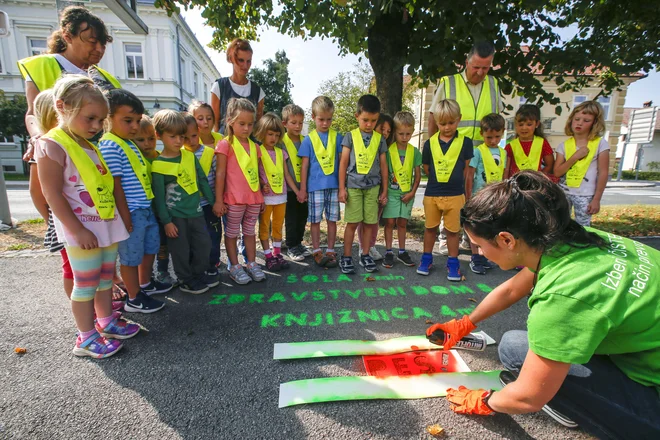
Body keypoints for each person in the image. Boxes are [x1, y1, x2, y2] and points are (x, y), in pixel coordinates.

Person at [428, 170, 660, 439]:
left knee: (516, 351)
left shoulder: (564, 297)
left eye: (478, 245)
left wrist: (485, 401)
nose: (478, 252)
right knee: (521, 345)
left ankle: (582, 409)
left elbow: (527, 398)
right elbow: (515, 287)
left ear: (506, 239)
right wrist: (466, 323)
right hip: (644, 352)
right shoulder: (578, 239)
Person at [36, 75, 137, 358]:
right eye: (90, 118)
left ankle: (105, 321)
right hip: (82, 230)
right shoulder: (52, 145)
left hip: (104, 225)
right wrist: (77, 230)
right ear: (63, 107)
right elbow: (52, 193)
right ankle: (86, 336)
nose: (95, 127)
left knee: (105, 279)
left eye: (101, 121)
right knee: (86, 284)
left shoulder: (88, 144)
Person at [427, 41, 502, 255]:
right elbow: (434, 117)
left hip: (483, 154)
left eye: (485, 68)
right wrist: (434, 150)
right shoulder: (449, 83)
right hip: (452, 153)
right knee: (451, 195)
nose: (479, 72)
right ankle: (446, 235)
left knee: (478, 198)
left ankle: (473, 239)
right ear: (466, 62)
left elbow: (497, 119)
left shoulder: (494, 85)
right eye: (476, 66)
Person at [99, 89, 169, 313]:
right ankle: (134, 297)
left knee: (149, 248)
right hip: (131, 211)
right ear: (108, 118)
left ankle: (145, 283)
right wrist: (125, 215)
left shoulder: (129, 143)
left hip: (144, 207)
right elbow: (115, 184)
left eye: (137, 121)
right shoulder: (110, 145)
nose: (134, 126)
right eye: (127, 120)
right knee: (130, 256)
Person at [151, 110, 217, 294]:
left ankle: (197, 273)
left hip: (196, 212)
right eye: (172, 136)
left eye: (181, 136)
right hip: (176, 217)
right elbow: (158, 197)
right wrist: (166, 222)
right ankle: (186, 279)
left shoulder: (189, 156)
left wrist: (213, 202)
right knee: (180, 250)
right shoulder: (158, 165)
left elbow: (202, 180)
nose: (179, 141)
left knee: (203, 245)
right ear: (159, 135)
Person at [213, 98, 267, 285]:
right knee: (232, 233)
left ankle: (251, 263)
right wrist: (218, 200)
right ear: (230, 121)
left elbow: (257, 172)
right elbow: (219, 173)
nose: (246, 128)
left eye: (250, 124)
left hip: (253, 198)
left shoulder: (256, 147)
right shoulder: (225, 144)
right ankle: (234, 266)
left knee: (250, 232)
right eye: (241, 124)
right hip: (234, 199)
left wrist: (261, 196)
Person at [419, 99, 473, 281]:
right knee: (430, 228)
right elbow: (426, 168)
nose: (447, 127)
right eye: (442, 124)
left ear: (459, 119)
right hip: (433, 193)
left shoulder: (466, 143)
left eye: (451, 122)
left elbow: (465, 168)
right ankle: (426, 259)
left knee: (452, 231)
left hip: (455, 195)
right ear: (436, 123)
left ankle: (453, 262)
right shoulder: (429, 143)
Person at [338, 94, 388, 274]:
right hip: (353, 187)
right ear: (356, 115)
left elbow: (384, 166)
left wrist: (384, 191)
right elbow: (343, 163)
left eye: (373, 121)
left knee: (369, 223)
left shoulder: (379, 139)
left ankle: (365, 254)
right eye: (365, 120)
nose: (369, 124)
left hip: (373, 188)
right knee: (352, 223)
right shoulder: (350, 137)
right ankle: (346, 256)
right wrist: (342, 188)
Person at [298, 96, 343, 269]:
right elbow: (305, 166)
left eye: (329, 119)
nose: (325, 123)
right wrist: (302, 189)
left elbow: (341, 164)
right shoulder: (308, 140)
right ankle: (317, 250)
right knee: (315, 220)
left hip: (333, 187)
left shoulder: (338, 138)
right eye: (321, 119)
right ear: (313, 118)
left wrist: (342, 187)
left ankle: (331, 250)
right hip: (314, 187)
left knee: (332, 220)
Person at [133, 116, 175, 286]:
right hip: (143, 211)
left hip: (162, 210)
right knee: (145, 246)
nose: (147, 143)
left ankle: (163, 271)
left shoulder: (160, 158)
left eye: (151, 138)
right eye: (140, 140)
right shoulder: (135, 160)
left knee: (162, 245)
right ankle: (145, 277)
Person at [553, 101, 610, 226]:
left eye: (586, 120)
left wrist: (597, 199)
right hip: (564, 192)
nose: (580, 123)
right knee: (561, 224)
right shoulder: (564, 146)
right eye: (577, 119)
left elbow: (603, 172)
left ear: (595, 123)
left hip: (585, 194)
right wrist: (574, 157)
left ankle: (583, 245)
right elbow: (557, 172)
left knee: (583, 227)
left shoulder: (601, 144)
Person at [255, 113, 299, 271]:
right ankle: (267, 255)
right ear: (262, 132)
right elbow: (254, 173)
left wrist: (297, 191)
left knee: (278, 225)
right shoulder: (257, 151)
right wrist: (261, 185)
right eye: (270, 134)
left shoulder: (281, 153)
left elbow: (287, 174)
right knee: (265, 225)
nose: (273, 138)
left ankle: (277, 253)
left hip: (281, 197)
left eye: (276, 135)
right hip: (266, 198)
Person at [182, 113, 222, 280]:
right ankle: (197, 265)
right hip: (191, 207)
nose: (191, 141)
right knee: (195, 238)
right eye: (185, 138)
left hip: (209, 204)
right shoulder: (180, 154)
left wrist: (217, 201)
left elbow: (218, 175)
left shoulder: (210, 153)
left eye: (194, 136)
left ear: (198, 131)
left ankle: (212, 263)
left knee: (213, 235)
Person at [465, 113, 506, 274]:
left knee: (490, 228)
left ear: (502, 133)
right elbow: (470, 174)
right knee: (476, 227)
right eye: (489, 137)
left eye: (497, 136)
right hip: (478, 197)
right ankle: (475, 257)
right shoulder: (478, 151)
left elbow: (504, 173)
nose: (493, 140)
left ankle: (485, 256)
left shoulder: (503, 152)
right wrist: (469, 196)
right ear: (482, 134)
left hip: (495, 199)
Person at [381, 111, 422, 269]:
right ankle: (389, 251)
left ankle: (403, 251)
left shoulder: (414, 152)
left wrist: (412, 193)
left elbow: (417, 176)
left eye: (408, 134)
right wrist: (384, 192)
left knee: (402, 223)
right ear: (395, 132)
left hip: (407, 194)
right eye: (400, 134)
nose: (404, 137)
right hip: (392, 193)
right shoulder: (389, 150)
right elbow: (385, 173)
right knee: (390, 222)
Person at [358, 113, 394, 261]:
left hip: (380, 187)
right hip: (365, 186)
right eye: (382, 129)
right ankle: (363, 246)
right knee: (364, 220)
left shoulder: (385, 148)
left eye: (388, 131)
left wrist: (384, 191)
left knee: (374, 219)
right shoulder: (365, 143)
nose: (385, 133)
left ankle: (371, 245)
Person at [210, 39, 265, 133]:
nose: (245, 65)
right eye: (241, 60)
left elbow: (258, 127)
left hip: (249, 146)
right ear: (231, 59)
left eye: (248, 61)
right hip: (226, 143)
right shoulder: (219, 87)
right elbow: (215, 124)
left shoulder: (258, 92)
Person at [281, 104, 310, 262]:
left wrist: (304, 189)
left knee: (302, 217)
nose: (298, 126)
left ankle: (299, 243)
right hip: (290, 189)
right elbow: (285, 171)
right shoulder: (281, 142)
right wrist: (296, 190)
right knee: (291, 218)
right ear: (284, 123)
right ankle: (291, 245)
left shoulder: (305, 141)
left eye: (300, 122)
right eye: (294, 122)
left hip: (304, 188)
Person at [504, 104, 554, 179]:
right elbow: (506, 169)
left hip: (536, 184)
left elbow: (550, 165)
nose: (524, 128)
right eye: (521, 125)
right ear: (516, 125)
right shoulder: (510, 146)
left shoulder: (542, 143)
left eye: (529, 124)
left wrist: (539, 178)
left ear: (537, 124)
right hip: (515, 184)